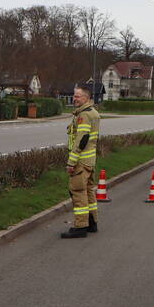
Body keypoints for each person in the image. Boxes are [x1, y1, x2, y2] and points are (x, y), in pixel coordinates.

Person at [61, 85, 100, 239]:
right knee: (89, 191)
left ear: (86, 98)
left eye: (77, 96)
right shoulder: (93, 112)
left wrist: (71, 162)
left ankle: (80, 226)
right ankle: (92, 223)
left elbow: (81, 139)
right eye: (74, 96)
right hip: (89, 161)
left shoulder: (84, 115)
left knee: (78, 192)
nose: (74, 98)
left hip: (81, 162)